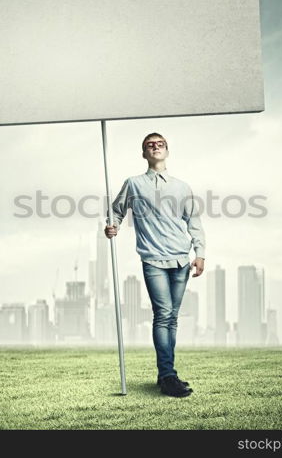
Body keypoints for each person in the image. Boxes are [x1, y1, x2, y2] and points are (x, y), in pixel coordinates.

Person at [104, 132, 205, 397]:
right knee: (163, 315)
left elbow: (193, 222)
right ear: (144, 153)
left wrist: (200, 252)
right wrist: (111, 226)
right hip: (153, 259)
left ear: (167, 150)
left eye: (160, 144)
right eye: (150, 145)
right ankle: (168, 375)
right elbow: (115, 210)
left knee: (172, 318)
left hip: (182, 259)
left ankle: (166, 374)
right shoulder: (134, 184)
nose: (155, 147)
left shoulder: (182, 187)